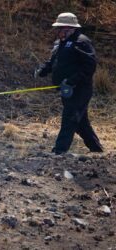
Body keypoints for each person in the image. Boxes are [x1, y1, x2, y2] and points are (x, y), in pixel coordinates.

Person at [34, 12, 103, 154]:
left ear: (69, 28)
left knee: (70, 118)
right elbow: (54, 62)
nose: (57, 31)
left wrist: (71, 81)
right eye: (57, 28)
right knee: (80, 122)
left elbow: (90, 66)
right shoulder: (61, 43)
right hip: (67, 90)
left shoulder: (81, 41)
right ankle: (97, 150)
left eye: (60, 28)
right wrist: (43, 70)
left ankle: (59, 151)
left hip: (80, 89)